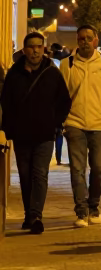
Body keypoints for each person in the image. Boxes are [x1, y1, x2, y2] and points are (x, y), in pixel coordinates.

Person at [0, 31, 70, 232]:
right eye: (31, 46)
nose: (35, 50)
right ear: (24, 50)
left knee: (40, 174)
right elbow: (6, 102)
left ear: (44, 49)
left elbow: (64, 100)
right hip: (21, 135)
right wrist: (9, 128)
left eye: (39, 46)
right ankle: (28, 214)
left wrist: (55, 123)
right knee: (25, 175)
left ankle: (36, 215)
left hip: (45, 134)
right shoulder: (14, 74)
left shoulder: (52, 73)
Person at [60, 24, 101, 227]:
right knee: (77, 169)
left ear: (95, 40)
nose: (84, 42)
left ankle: (94, 205)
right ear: (77, 41)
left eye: (88, 38)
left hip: (100, 123)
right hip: (74, 123)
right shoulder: (67, 64)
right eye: (80, 39)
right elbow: (61, 95)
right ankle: (81, 210)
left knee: (98, 168)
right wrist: (63, 120)